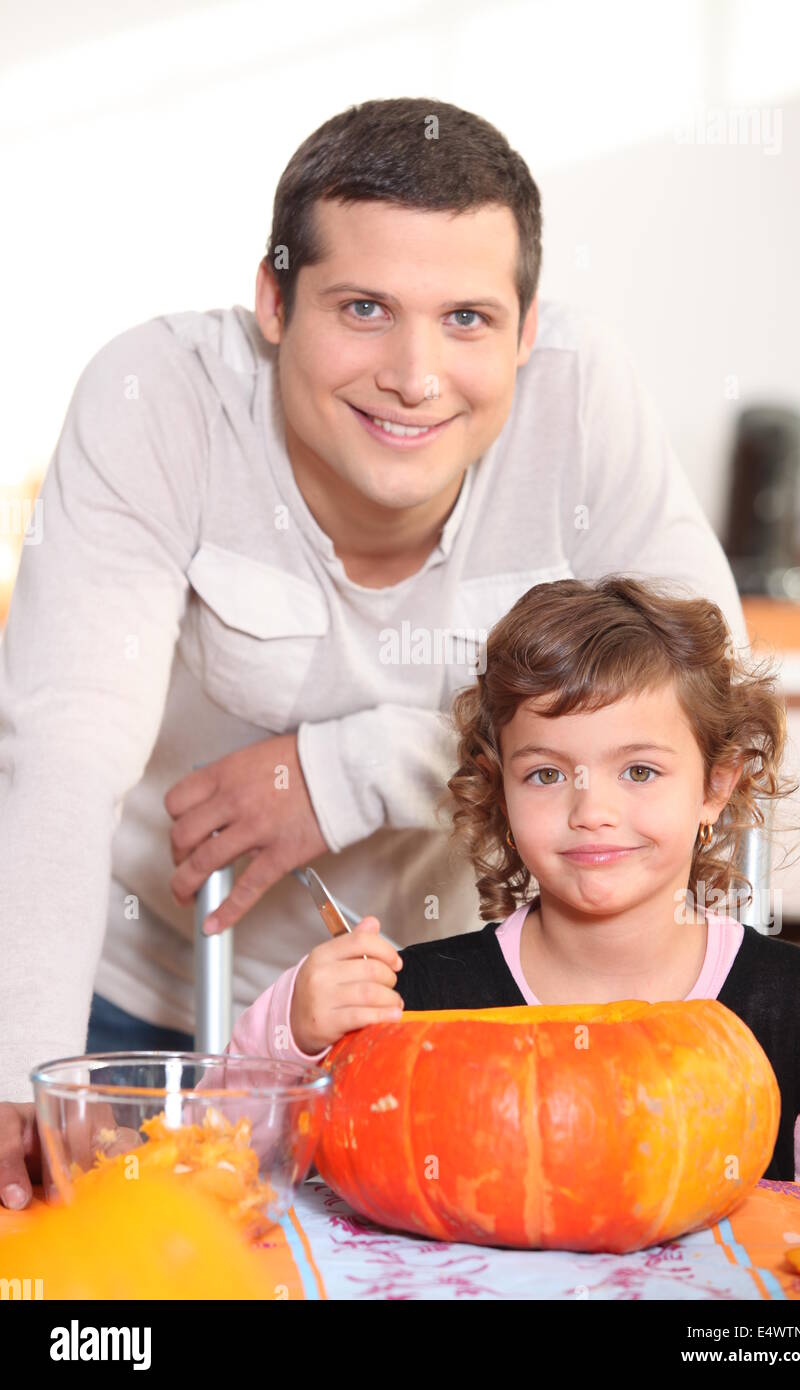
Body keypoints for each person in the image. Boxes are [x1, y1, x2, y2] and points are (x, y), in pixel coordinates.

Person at [0, 97, 750, 1207]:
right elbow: (62, 740)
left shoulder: (581, 399)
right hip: (143, 999)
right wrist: (22, 1068)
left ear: (526, 327)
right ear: (273, 298)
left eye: (465, 318)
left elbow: (707, 704)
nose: (413, 374)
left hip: (469, 1012)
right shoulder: (157, 394)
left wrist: (348, 769)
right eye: (362, 307)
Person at [230, 576, 800, 1184]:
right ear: (501, 790)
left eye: (640, 771)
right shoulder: (414, 1007)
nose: (592, 812)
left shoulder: (797, 1002)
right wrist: (293, 1027)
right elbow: (223, 1165)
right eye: (546, 775)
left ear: (715, 786)